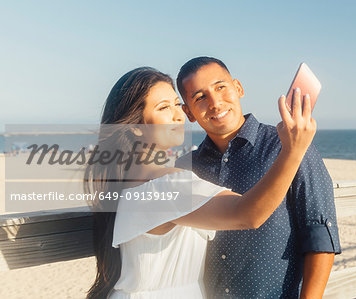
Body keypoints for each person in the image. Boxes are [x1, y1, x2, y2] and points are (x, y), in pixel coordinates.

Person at [84, 67, 316, 298]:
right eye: (163, 107)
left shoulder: (130, 181)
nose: (177, 115)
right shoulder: (165, 184)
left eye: (176, 104)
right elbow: (248, 214)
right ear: (135, 127)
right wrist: (293, 149)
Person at [175, 57, 341, 299]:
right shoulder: (185, 168)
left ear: (238, 88)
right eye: (200, 97)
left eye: (221, 87)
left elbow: (320, 236)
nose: (215, 102)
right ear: (188, 112)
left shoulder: (288, 145)